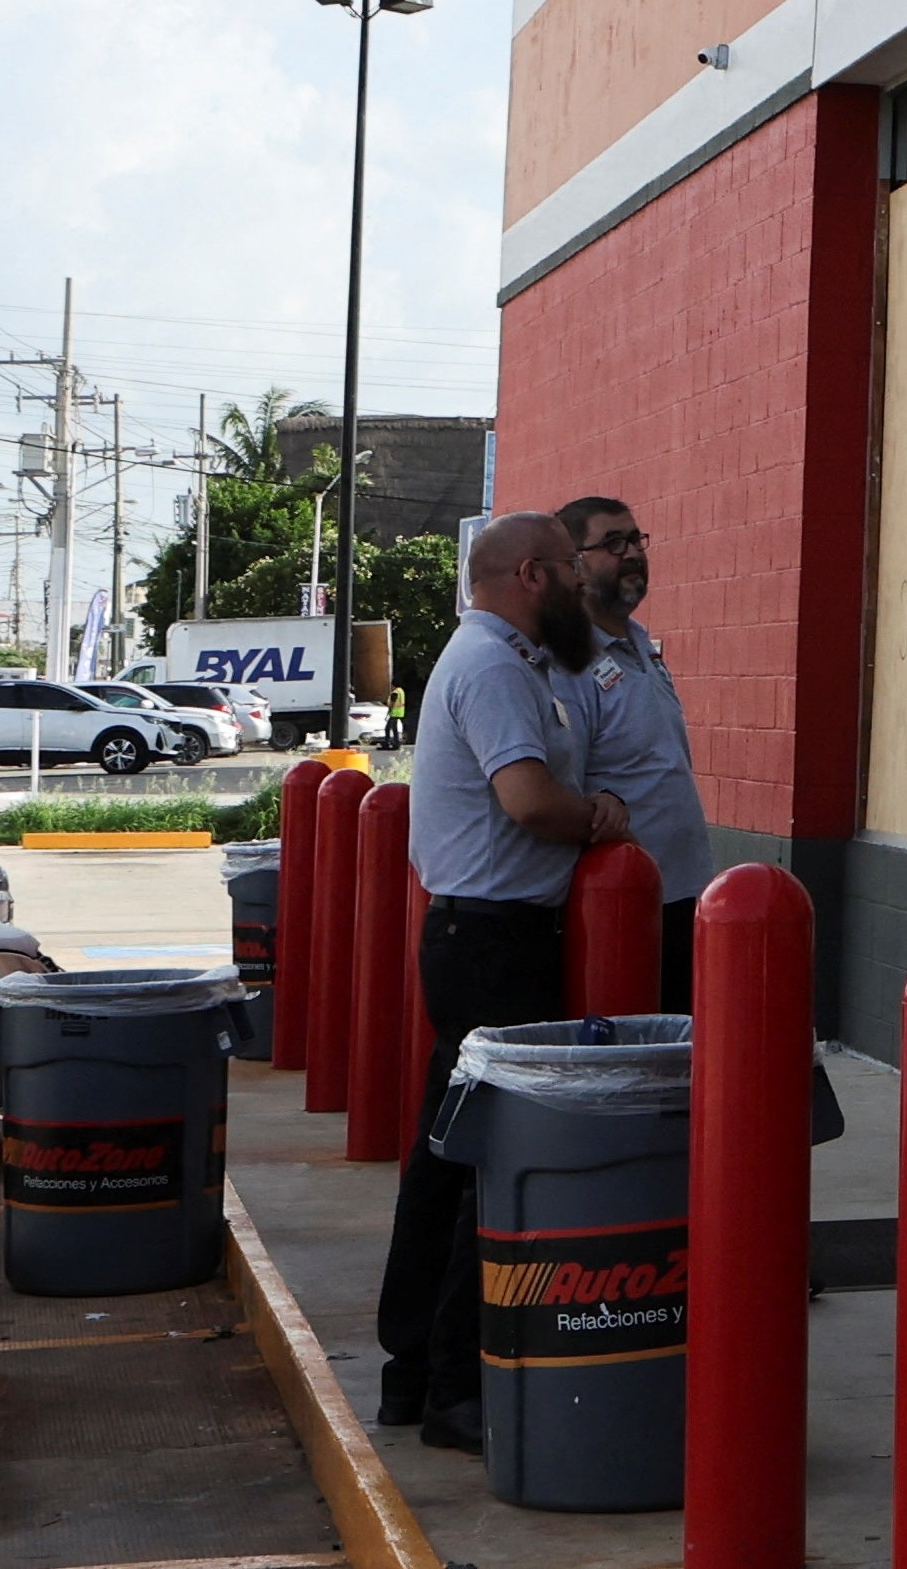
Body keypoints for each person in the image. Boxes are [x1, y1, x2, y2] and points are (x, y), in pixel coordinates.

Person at [374, 514, 633, 1452]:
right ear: (533, 573)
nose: (583, 587)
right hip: (493, 944)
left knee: (447, 1160)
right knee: (487, 1166)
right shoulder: (491, 667)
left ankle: (412, 1369)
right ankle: (454, 1385)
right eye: (571, 571)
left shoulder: (511, 661)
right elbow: (528, 800)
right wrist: (599, 817)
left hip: (485, 936)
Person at [558, 494, 714, 1009]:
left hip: (682, 897)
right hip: (622, 912)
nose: (632, 554)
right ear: (573, 564)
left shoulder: (642, 644)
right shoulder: (570, 663)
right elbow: (565, 788)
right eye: (612, 543)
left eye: (636, 540)